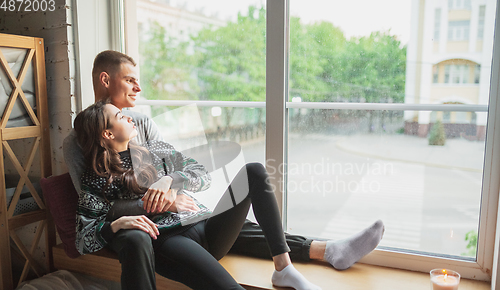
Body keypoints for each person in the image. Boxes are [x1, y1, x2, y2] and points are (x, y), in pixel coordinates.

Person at [63, 50, 385, 272]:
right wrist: (158, 203)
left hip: (175, 211)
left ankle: (325, 250)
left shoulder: (142, 122)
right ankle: (324, 251)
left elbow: (176, 166)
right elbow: (97, 205)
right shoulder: (76, 142)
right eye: (130, 79)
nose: (139, 87)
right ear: (106, 81)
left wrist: (171, 185)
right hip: (140, 233)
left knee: (234, 211)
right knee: (223, 221)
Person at [74, 100, 327, 290]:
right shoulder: (97, 177)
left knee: (254, 172)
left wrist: (169, 179)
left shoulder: (154, 149)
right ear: (107, 133)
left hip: (204, 224)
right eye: (120, 115)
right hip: (168, 240)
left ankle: (283, 267)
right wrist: (119, 223)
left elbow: (201, 173)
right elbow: (83, 237)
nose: (129, 117)